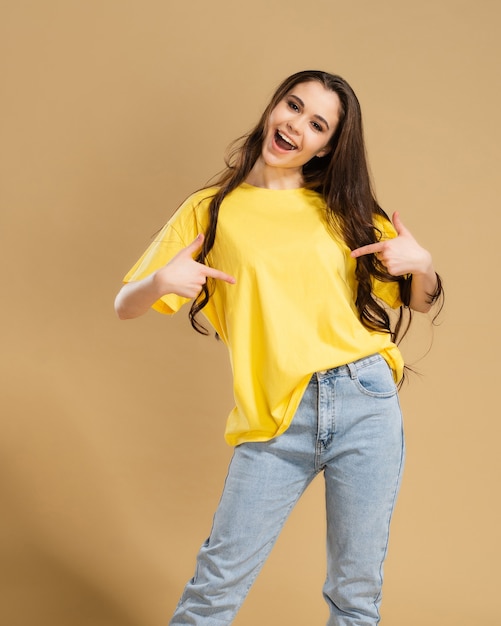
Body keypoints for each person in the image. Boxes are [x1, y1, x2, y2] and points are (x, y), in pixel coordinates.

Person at [114, 70, 443, 625]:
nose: (296, 124)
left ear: (327, 146)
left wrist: (425, 267)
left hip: (365, 400)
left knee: (355, 593)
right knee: (214, 588)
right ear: (273, 107)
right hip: (273, 419)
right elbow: (125, 302)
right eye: (292, 106)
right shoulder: (211, 209)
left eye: (317, 124)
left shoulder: (344, 211)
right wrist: (159, 284)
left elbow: (421, 300)